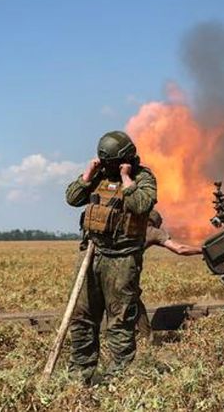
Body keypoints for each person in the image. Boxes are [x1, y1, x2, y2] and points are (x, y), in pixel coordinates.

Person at [64, 130, 157, 383]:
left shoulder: (143, 177)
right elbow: (72, 198)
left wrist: (126, 178)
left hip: (122, 259)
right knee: (82, 316)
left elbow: (141, 204)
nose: (110, 167)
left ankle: (119, 377)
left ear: (126, 159)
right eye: (106, 163)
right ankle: (80, 374)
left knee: (119, 319)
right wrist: (88, 174)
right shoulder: (98, 177)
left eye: (113, 163)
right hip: (91, 254)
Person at [136, 209, 202, 339]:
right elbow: (180, 249)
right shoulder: (152, 231)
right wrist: (202, 250)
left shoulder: (130, 228)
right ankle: (147, 339)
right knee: (132, 301)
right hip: (125, 273)